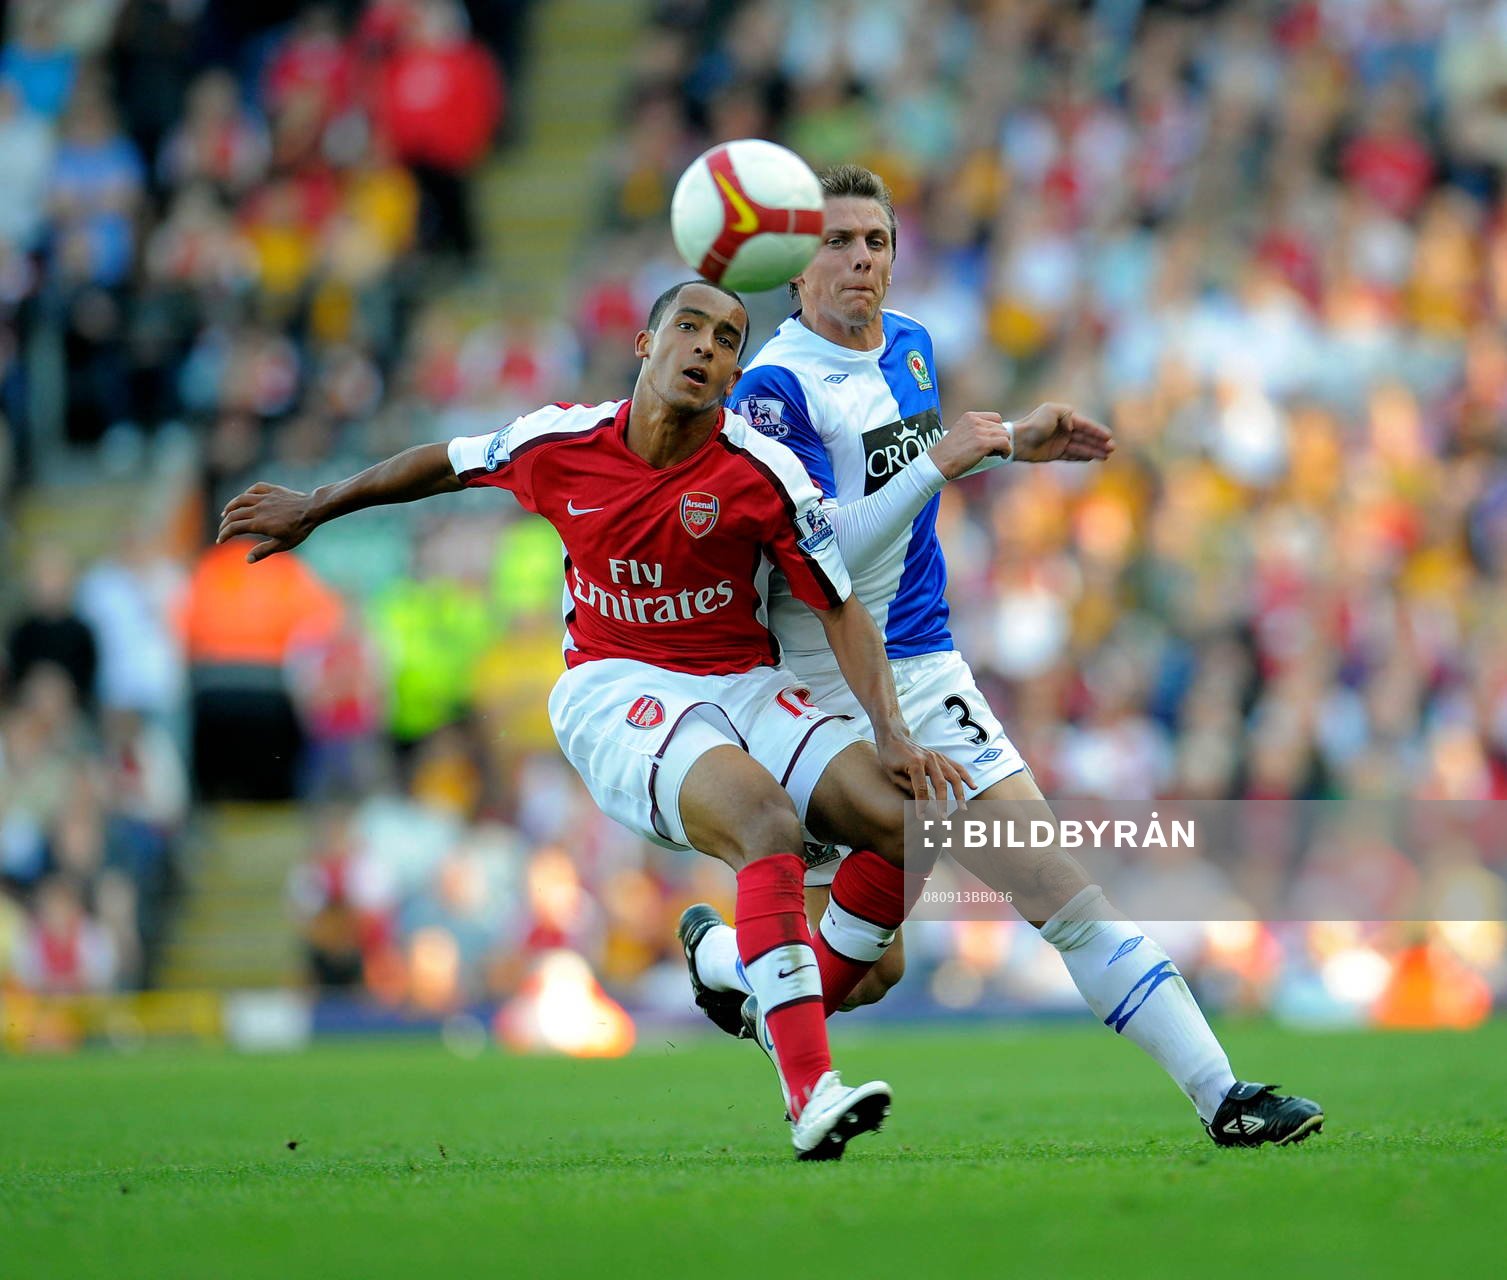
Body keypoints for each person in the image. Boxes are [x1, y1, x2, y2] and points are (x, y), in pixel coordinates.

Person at [217, 279, 970, 1161]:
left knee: (904, 829)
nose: (706, 348)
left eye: (727, 340)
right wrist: (319, 504)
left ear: (734, 374)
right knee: (764, 823)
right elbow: (442, 463)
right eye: (688, 328)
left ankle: (747, 977)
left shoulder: (763, 473)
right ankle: (811, 1092)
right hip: (617, 689)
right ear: (645, 346)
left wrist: (889, 734)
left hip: (740, 680)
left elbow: (840, 608)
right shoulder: (561, 441)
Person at [676, 165, 1323, 1149]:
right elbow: (817, 551)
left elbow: (904, 459)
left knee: (1055, 887)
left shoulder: (912, 346)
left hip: (928, 667)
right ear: (795, 267)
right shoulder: (772, 388)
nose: (860, 259)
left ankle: (1222, 1092)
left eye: (876, 241)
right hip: (816, 690)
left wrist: (1016, 440)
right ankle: (736, 964)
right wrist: (944, 462)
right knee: (872, 971)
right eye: (838, 242)